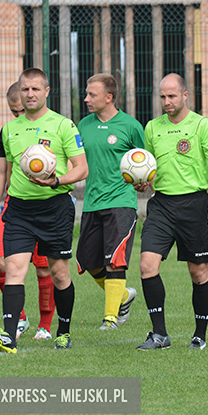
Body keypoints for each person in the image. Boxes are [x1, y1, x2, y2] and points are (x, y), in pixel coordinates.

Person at [0, 68, 88, 353]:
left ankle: (63, 331)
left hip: (55, 208)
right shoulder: (9, 130)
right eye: (25, 89)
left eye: (35, 89)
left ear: (46, 91)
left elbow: (82, 168)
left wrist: (56, 180)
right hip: (18, 209)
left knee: (58, 273)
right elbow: (1, 170)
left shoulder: (63, 126)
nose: (30, 94)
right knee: (13, 269)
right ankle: (9, 336)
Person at [134, 73, 208, 350]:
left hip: (194, 205)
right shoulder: (152, 127)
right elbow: (148, 164)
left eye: (172, 96)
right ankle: (159, 334)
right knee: (147, 266)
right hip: (161, 205)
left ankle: (200, 334)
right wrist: (143, 181)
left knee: (198, 272)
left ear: (185, 95)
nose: (167, 101)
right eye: (162, 97)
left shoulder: (201, 124)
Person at [0, 82, 55, 341]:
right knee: (3, 265)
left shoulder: (53, 127)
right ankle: (20, 318)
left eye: (19, 111)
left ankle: (46, 326)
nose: (16, 116)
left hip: (46, 208)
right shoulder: (9, 132)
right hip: (13, 207)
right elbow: (1, 170)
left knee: (44, 269)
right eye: (12, 112)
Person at [77, 74, 144, 329]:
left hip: (121, 201)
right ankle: (124, 296)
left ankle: (111, 318)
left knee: (114, 260)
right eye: (86, 93)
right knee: (88, 261)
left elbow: (146, 162)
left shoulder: (130, 126)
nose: (86, 99)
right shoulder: (83, 126)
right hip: (92, 202)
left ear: (109, 97)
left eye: (92, 95)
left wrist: (145, 181)